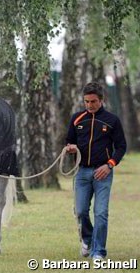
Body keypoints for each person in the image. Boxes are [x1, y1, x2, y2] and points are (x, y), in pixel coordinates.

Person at [66, 82, 127, 260]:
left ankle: (98, 251)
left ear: (101, 100)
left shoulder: (112, 120)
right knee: (80, 211)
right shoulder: (76, 119)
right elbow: (69, 140)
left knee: (101, 212)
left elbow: (121, 147)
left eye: (93, 101)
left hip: (103, 173)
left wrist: (109, 165)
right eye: (86, 101)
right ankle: (87, 240)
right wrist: (70, 148)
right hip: (82, 173)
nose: (89, 105)